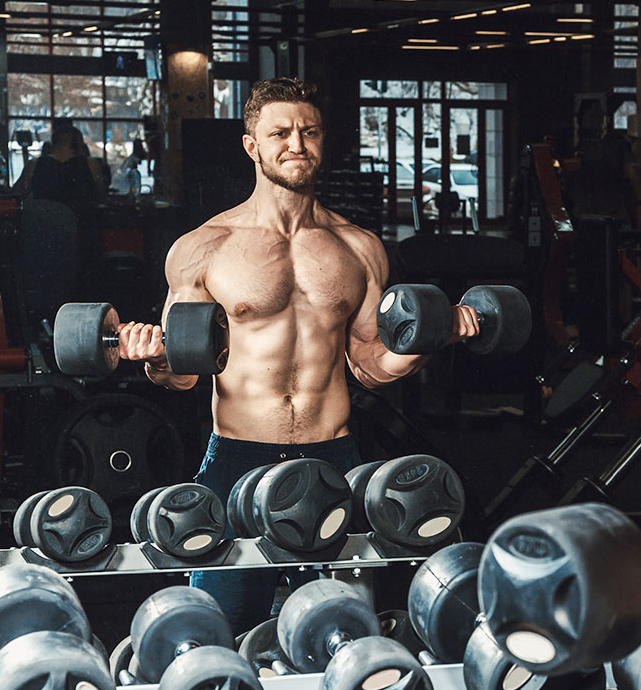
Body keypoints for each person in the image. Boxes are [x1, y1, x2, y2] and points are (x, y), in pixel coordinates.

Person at [115, 77, 478, 633]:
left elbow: (370, 364)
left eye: (309, 132)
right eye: (279, 132)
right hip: (237, 462)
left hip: (334, 460)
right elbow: (184, 375)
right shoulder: (203, 247)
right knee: (219, 629)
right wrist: (151, 358)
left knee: (342, 631)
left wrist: (428, 341)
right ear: (251, 145)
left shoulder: (358, 248)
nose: (296, 144)